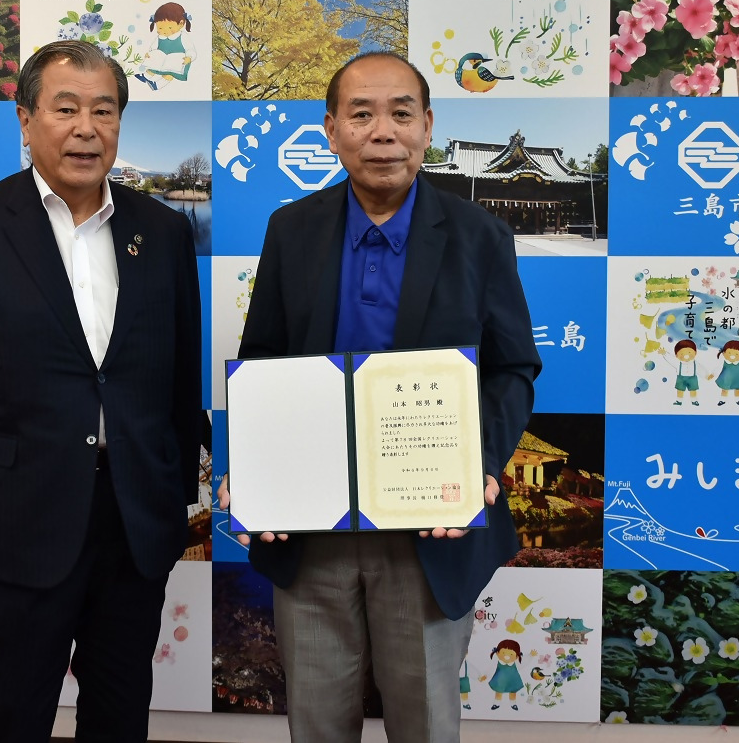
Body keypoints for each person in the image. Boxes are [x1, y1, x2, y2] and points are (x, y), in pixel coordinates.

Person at [218, 51, 540, 742]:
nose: (382, 131)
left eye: (401, 113)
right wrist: (255, 473)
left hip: (428, 529)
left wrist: (479, 466)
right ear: (331, 130)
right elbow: (264, 367)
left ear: (428, 126)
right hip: (311, 530)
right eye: (360, 114)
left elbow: (513, 367)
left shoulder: (480, 236)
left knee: (424, 723)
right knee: (317, 724)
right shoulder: (291, 229)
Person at [0, 39, 203, 742]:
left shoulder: (160, 230)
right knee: (14, 710)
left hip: (133, 520)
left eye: (104, 110)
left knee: (121, 709)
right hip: (20, 515)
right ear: (25, 118)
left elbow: (179, 366)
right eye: (65, 108)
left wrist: (179, 486)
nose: (86, 128)